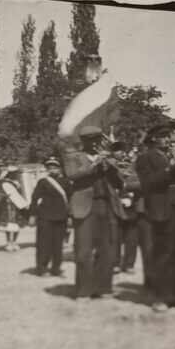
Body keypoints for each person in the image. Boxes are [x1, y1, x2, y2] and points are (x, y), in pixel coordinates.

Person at [135, 122, 175, 312]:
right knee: (164, 254)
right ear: (153, 138)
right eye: (164, 136)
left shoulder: (174, 157)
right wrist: (170, 169)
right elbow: (148, 184)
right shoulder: (145, 158)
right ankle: (161, 297)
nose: (168, 140)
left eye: (169, 136)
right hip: (163, 210)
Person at [62, 126, 124, 300]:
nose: (97, 144)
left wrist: (111, 166)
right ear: (84, 142)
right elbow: (72, 175)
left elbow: (119, 183)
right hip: (84, 207)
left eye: (98, 140)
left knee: (107, 250)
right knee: (83, 251)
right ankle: (84, 290)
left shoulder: (107, 159)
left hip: (106, 205)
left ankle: (103, 288)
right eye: (92, 140)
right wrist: (95, 164)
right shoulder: (73, 157)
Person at [30, 157, 69, 275]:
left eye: (55, 167)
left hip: (61, 216)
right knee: (43, 243)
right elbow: (35, 198)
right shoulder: (43, 182)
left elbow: (71, 199)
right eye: (50, 167)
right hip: (45, 216)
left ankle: (56, 268)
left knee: (58, 244)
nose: (52, 170)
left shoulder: (66, 182)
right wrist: (32, 214)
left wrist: (71, 216)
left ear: (60, 169)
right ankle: (41, 268)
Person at [113, 141, 141, 274]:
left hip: (132, 210)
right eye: (121, 166)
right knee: (116, 238)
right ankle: (116, 263)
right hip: (116, 209)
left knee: (132, 239)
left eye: (127, 165)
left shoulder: (136, 176)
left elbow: (141, 186)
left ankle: (129, 264)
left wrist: (129, 190)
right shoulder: (114, 175)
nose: (124, 169)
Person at [0, 166, 28, 251]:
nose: (16, 175)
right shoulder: (6, 183)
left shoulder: (17, 183)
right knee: (9, 224)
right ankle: (9, 242)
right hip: (8, 205)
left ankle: (15, 242)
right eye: (14, 174)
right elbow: (10, 195)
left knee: (17, 224)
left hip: (18, 205)